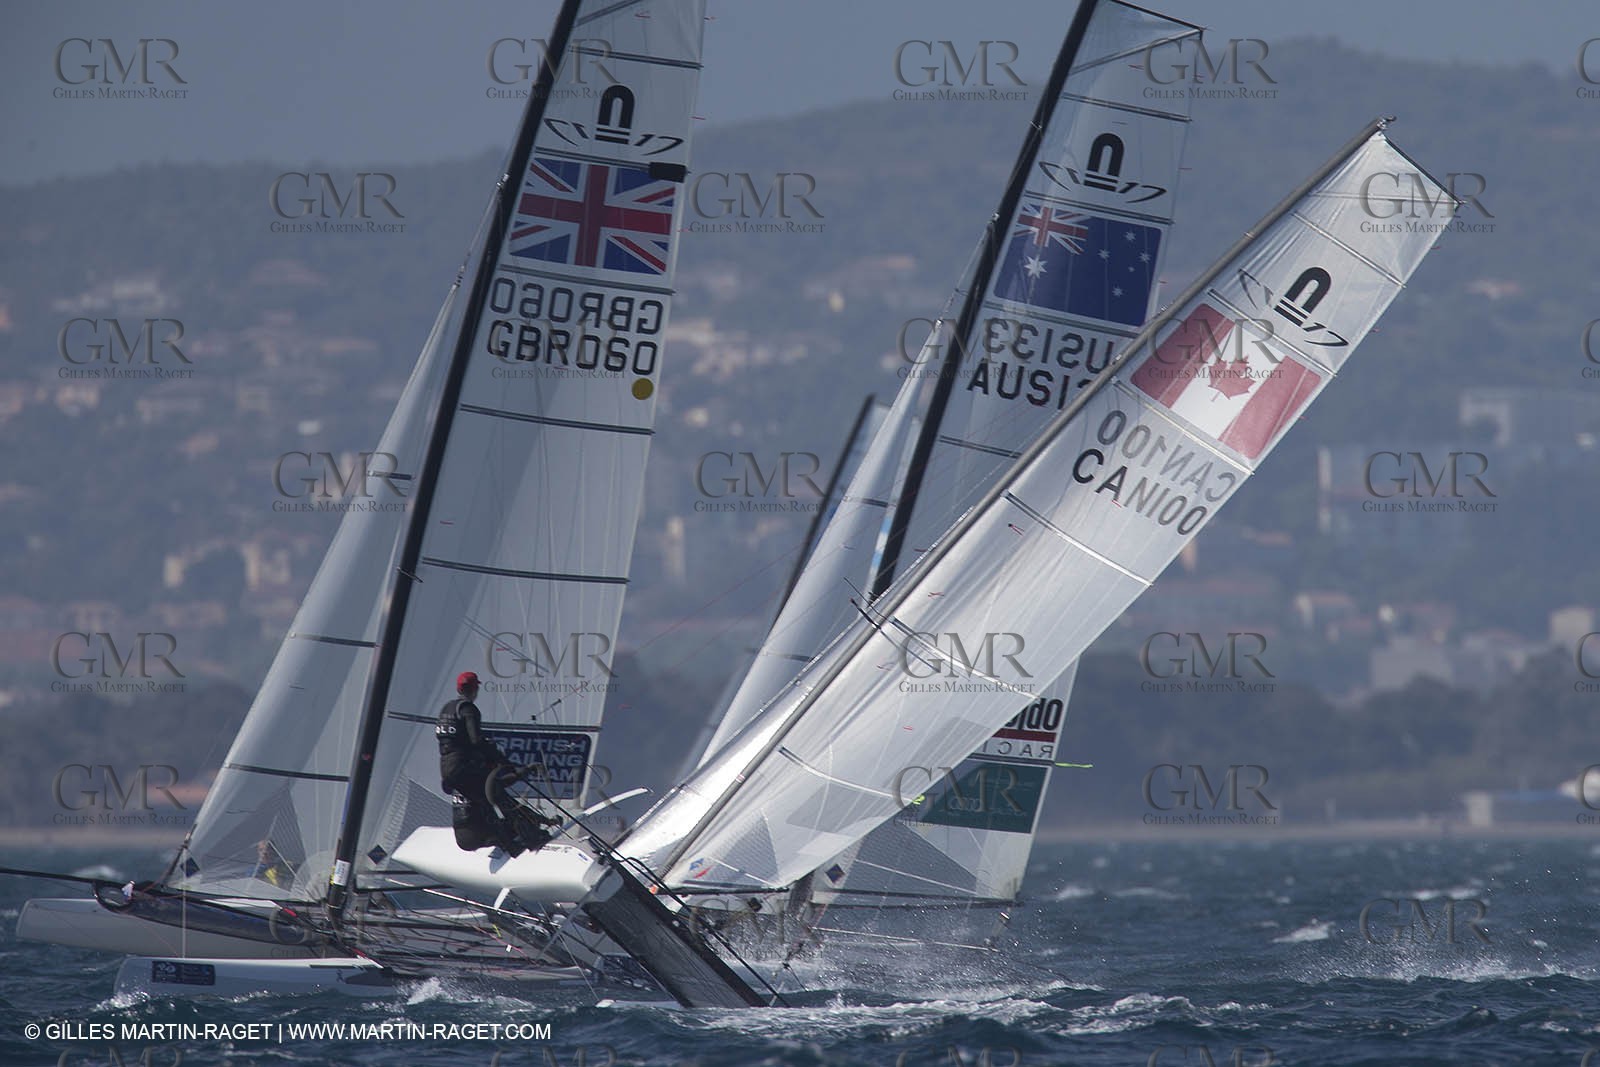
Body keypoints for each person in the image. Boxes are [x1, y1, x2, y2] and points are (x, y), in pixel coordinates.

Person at [436, 671, 559, 855]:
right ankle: (523, 840)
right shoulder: (468, 709)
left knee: (491, 794)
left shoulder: (447, 708)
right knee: (497, 792)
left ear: (458, 688)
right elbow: (476, 740)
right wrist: (499, 758)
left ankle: (527, 827)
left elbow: (454, 740)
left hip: (447, 769)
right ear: (475, 688)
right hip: (462, 767)